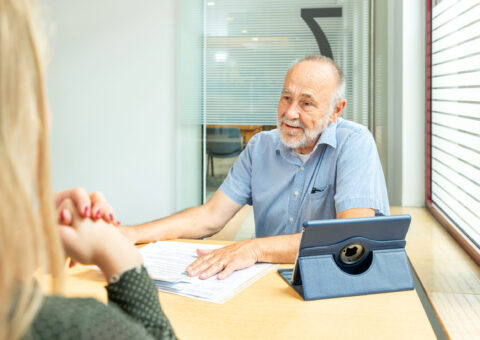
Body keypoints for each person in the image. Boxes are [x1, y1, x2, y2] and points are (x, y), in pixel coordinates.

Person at [120, 55, 389, 281]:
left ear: (335, 111)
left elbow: (352, 235)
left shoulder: (354, 143)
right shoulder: (260, 146)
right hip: (267, 281)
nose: (290, 113)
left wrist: (255, 249)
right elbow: (210, 216)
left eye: (306, 103)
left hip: (336, 279)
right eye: (286, 98)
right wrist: (133, 233)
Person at [0, 1, 176, 339]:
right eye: (36, 88)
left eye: (306, 101)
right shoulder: (75, 327)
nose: (47, 118)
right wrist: (121, 256)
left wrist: (18, 243)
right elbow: (212, 214)